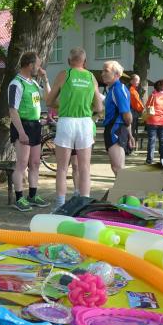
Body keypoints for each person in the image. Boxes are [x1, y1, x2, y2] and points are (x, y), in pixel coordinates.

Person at [46, 47, 102, 209]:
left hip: (66, 122)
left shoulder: (64, 74)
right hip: (85, 123)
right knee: (84, 168)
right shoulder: (91, 77)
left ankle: (60, 205)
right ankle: (84, 205)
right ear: (85, 62)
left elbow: (49, 101)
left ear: (69, 61)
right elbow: (99, 107)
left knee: (62, 168)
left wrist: (64, 104)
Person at [7, 51, 51, 211]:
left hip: (35, 126)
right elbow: (13, 110)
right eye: (38, 65)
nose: (40, 68)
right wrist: (21, 132)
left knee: (35, 163)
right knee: (22, 163)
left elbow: (48, 98)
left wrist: (45, 79)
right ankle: (19, 198)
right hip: (23, 126)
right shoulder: (16, 84)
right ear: (30, 65)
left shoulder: (33, 83)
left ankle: (32, 195)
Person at [101, 60, 134, 176]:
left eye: (106, 71)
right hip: (113, 128)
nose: (102, 73)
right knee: (116, 167)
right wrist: (130, 135)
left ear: (116, 74)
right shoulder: (112, 89)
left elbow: (127, 115)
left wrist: (128, 134)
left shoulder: (118, 88)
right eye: (102, 70)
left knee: (118, 168)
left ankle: (126, 188)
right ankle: (122, 187)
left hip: (116, 129)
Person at [143, 79, 163, 164]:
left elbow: (148, 106)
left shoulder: (153, 95)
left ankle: (149, 160)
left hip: (152, 120)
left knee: (151, 141)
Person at [129, 74, 144, 141]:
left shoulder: (132, 89)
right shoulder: (132, 91)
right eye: (137, 80)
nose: (139, 82)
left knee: (131, 131)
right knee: (131, 131)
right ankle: (130, 145)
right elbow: (137, 104)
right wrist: (142, 110)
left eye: (139, 80)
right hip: (132, 113)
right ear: (131, 81)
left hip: (131, 112)